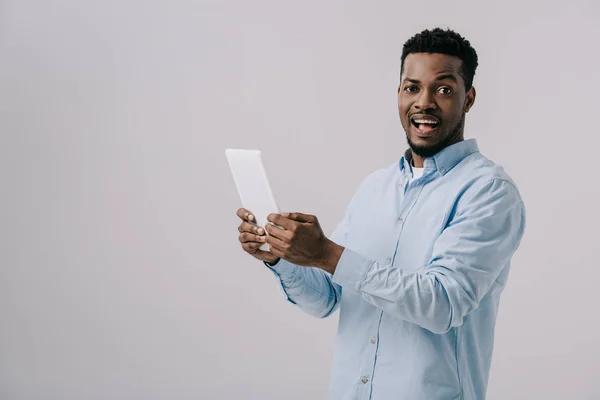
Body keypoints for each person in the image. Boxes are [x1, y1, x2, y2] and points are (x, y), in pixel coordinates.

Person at [235, 27, 526, 400]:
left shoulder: (488, 191)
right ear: (399, 94)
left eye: (444, 89)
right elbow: (327, 298)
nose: (425, 102)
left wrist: (327, 253)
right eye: (412, 87)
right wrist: (281, 256)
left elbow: (442, 304)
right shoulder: (375, 187)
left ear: (468, 99)